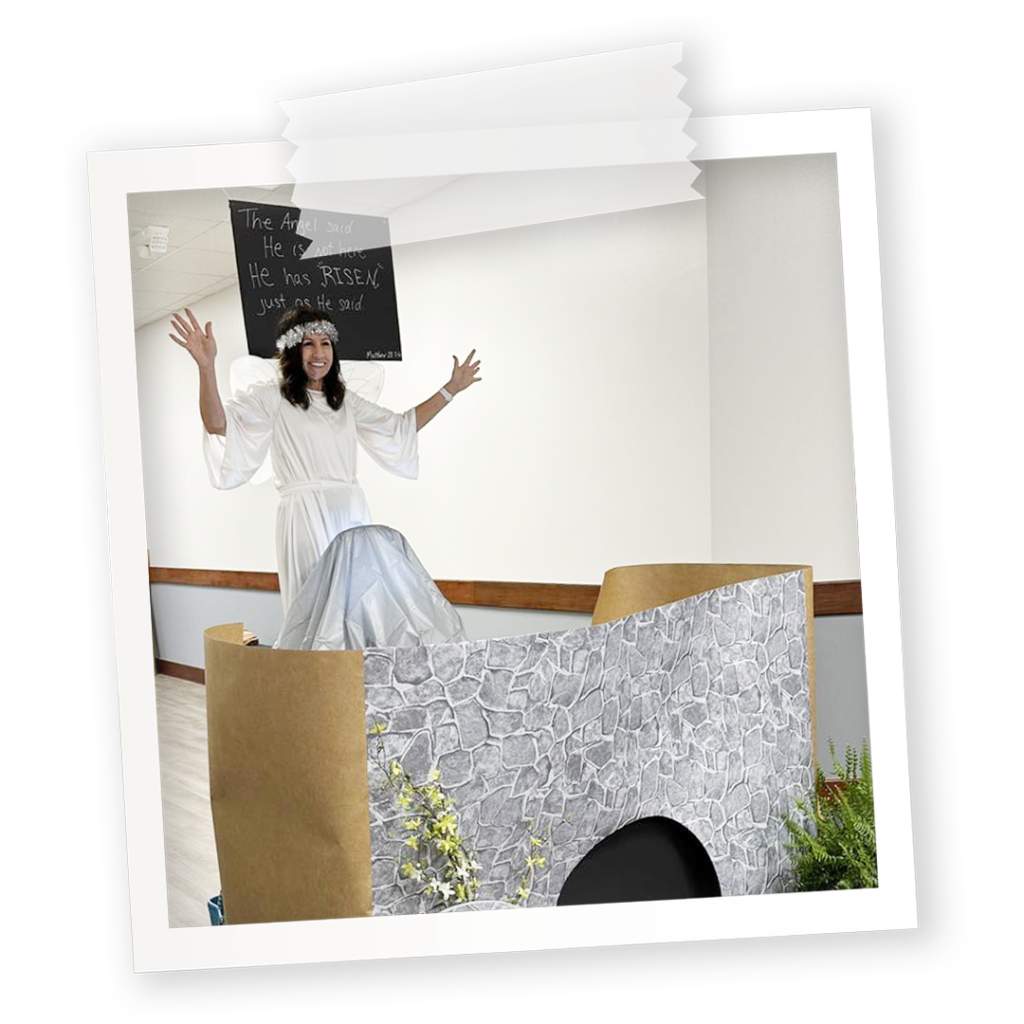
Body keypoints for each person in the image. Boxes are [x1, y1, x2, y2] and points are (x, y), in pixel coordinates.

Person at [170, 305, 481, 616]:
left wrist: (450, 389)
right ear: (293, 350)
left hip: (350, 512)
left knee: (358, 608)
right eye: (308, 344)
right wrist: (206, 366)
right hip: (304, 515)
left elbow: (401, 426)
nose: (318, 353)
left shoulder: (345, 401)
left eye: (325, 343)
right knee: (315, 609)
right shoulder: (273, 396)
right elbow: (217, 424)